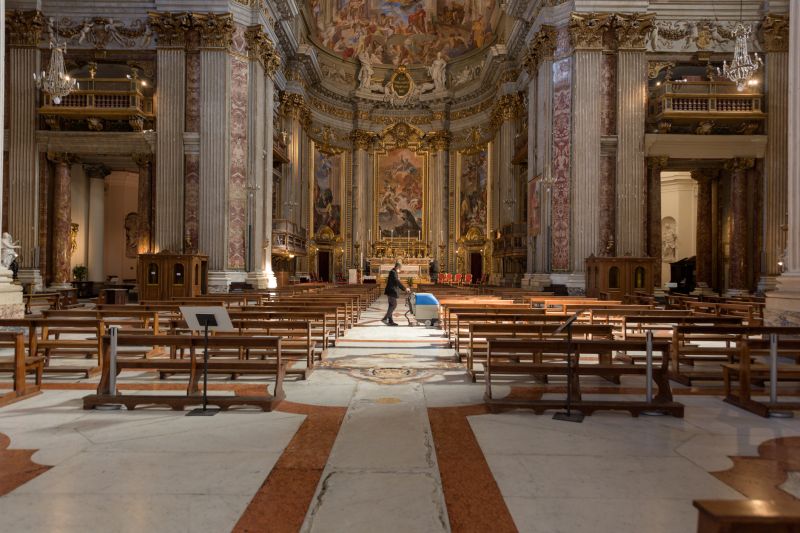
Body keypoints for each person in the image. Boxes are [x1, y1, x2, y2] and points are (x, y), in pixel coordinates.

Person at [382, 260, 409, 326]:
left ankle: (390, 321)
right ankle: (385, 318)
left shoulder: (393, 272)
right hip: (391, 291)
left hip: (391, 291)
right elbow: (397, 281)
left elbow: (396, 281)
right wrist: (405, 288)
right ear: (397, 267)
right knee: (394, 305)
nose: (400, 270)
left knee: (391, 306)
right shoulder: (393, 272)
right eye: (399, 268)